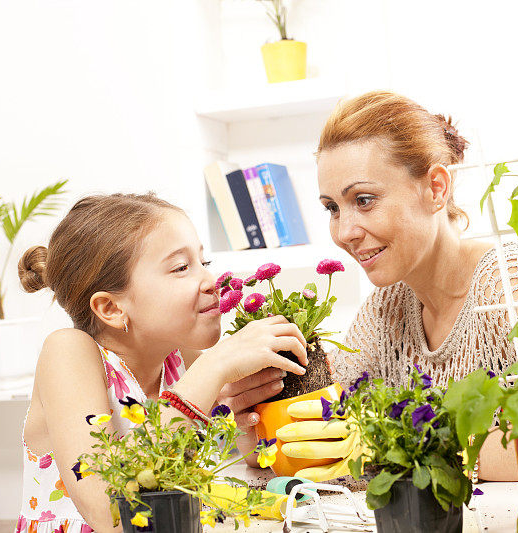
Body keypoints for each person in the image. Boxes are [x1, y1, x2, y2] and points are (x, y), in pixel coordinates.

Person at [224, 91, 518, 488]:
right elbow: (330, 429)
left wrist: (398, 444)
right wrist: (263, 427)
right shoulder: (387, 309)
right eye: (331, 207)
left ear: (436, 188)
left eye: (363, 200)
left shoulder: (510, 288)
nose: (344, 231)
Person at [15, 193, 308, 532]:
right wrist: (214, 367)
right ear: (111, 308)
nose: (212, 281)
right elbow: (107, 511)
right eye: (181, 268)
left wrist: (251, 422)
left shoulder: (180, 361)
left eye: (204, 262)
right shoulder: (69, 353)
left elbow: (252, 460)